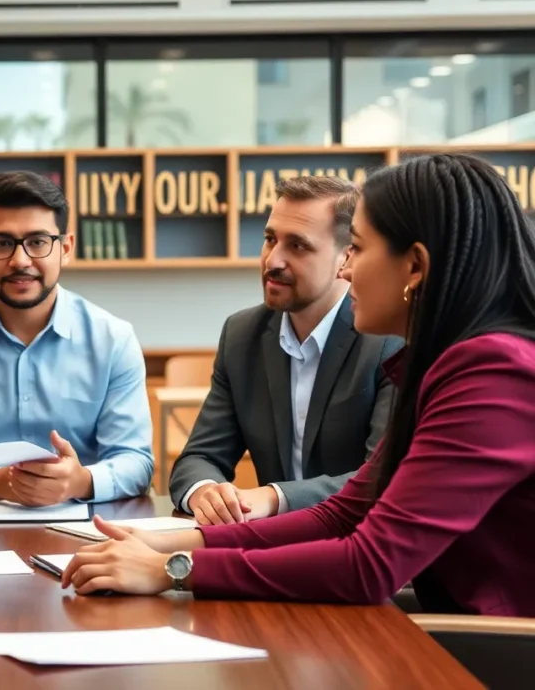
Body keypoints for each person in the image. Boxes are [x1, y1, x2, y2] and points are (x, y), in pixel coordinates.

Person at [61, 153, 535, 617]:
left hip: (500, 644)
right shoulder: (451, 361)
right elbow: (342, 513)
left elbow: (368, 565)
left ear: (414, 266)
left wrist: (172, 569)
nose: (347, 270)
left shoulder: (492, 372)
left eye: (360, 249)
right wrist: (169, 542)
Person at [0, 171, 153, 504]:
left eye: (37, 242)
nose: (20, 261)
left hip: (87, 531)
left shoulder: (114, 340)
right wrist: (3, 483)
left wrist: (80, 481)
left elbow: (136, 462)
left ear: (65, 248)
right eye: (2, 243)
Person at [169, 176, 402, 525]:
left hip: (357, 552)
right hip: (268, 552)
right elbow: (199, 458)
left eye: (298, 246)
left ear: (347, 256)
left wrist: (275, 497)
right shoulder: (242, 334)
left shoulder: (388, 339)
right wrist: (208, 493)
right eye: (270, 239)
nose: (272, 260)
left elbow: (381, 481)